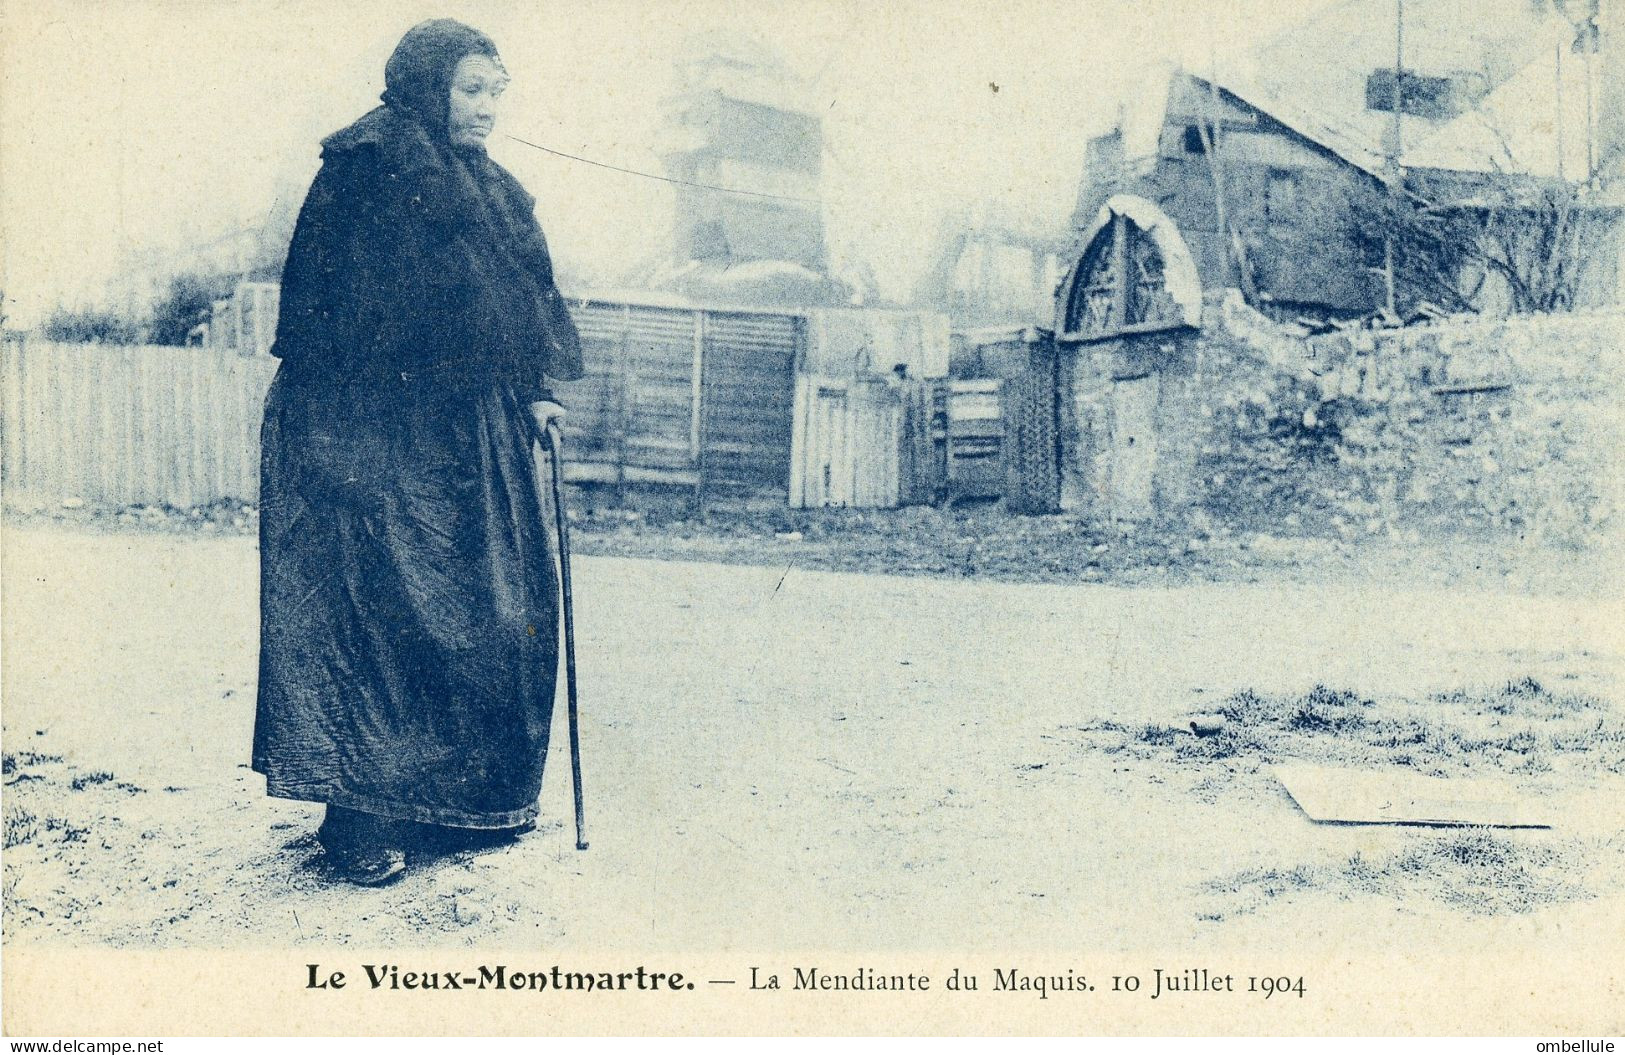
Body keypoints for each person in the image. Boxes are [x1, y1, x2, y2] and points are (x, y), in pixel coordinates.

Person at [252, 19, 584, 885]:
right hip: (368, 431)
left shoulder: (493, 191)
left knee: (488, 606)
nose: (485, 109)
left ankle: (455, 804)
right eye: (470, 90)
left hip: (470, 436)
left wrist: (539, 387)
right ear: (426, 86)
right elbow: (321, 318)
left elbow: (519, 301)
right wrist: (344, 447)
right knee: (378, 614)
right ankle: (356, 820)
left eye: (495, 91)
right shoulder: (361, 171)